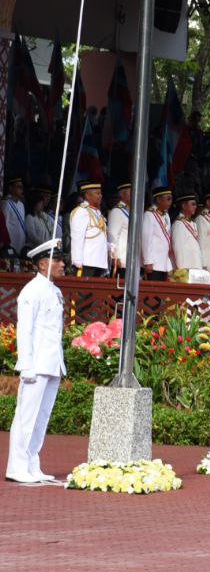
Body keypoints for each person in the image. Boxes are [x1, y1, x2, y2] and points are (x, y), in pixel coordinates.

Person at [6, 239, 65, 485]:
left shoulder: (54, 290)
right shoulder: (32, 291)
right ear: (42, 264)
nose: (63, 265)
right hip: (36, 364)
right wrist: (26, 364)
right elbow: (25, 330)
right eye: (58, 260)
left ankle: (32, 463)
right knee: (26, 417)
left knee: (41, 418)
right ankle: (16, 466)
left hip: (52, 363)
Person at [68, 181, 110, 277]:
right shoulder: (81, 211)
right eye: (97, 193)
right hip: (86, 262)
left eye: (101, 193)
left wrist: (108, 246)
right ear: (87, 195)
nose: (101, 196)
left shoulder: (96, 212)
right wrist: (77, 259)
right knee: (82, 291)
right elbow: (77, 237)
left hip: (98, 261)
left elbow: (96, 235)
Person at [141, 187, 174, 281]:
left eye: (171, 199)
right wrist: (148, 261)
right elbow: (146, 239)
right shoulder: (149, 214)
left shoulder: (166, 215)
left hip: (164, 263)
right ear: (159, 200)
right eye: (168, 199)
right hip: (153, 263)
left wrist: (169, 264)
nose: (170, 201)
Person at [170, 194, 203, 273]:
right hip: (185, 268)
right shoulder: (178, 224)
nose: (195, 207)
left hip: (195, 265)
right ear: (184, 206)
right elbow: (178, 248)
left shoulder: (193, 223)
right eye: (192, 204)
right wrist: (181, 269)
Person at [107, 183, 132, 274]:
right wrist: (114, 256)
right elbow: (112, 236)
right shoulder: (117, 211)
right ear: (122, 195)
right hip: (121, 260)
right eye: (131, 192)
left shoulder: (131, 211)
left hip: (131, 260)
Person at [2, 176, 27, 257]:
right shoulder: (6, 203)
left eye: (22, 187)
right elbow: (3, 225)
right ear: (10, 188)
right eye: (18, 187)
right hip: (10, 244)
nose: (21, 189)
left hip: (21, 243)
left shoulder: (21, 205)